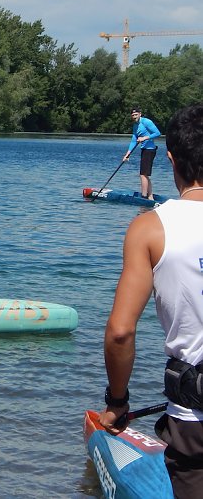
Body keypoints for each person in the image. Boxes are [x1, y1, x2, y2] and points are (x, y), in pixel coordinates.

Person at [99, 103, 203, 498]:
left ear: (171, 159)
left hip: (194, 423)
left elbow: (121, 332)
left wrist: (118, 401)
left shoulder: (149, 229)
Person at [122, 107, 161, 200]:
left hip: (150, 150)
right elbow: (134, 140)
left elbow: (157, 133)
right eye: (133, 115)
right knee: (144, 175)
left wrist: (144, 138)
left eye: (136, 115)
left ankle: (144, 196)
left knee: (143, 174)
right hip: (144, 150)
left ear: (140, 114)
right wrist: (128, 154)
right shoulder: (135, 125)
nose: (134, 117)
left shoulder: (146, 122)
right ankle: (150, 197)